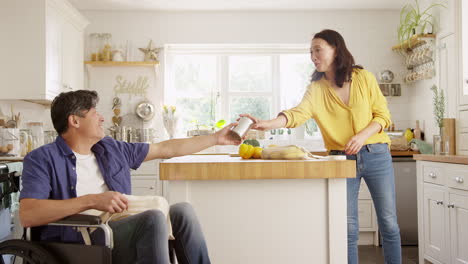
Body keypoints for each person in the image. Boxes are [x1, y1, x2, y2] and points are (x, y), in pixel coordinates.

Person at [19, 90, 241, 264]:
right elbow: (28, 214)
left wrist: (215, 138)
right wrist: (93, 200)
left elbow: (165, 148)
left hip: (118, 225)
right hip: (82, 238)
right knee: (152, 218)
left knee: (182, 212)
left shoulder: (110, 148)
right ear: (74, 121)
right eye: (94, 113)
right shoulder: (41, 159)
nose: (102, 118)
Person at [241, 29, 401, 264]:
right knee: (347, 228)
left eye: (318, 50)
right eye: (311, 52)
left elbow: (383, 116)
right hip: (340, 159)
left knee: (388, 223)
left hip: (376, 154)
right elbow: (297, 114)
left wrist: (361, 136)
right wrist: (266, 124)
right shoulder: (316, 89)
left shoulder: (363, 77)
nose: (313, 56)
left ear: (336, 49)